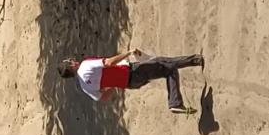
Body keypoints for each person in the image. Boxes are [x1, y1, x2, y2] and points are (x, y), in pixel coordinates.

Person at [58, 48, 204, 113]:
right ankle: (196, 60)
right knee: (165, 64)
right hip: (131, 72)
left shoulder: (84, 86)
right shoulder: (85, 65)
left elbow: (103, 97)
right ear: (71, 65)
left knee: (166, 67)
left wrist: (112, 83)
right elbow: (108, 62)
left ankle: (175, 101)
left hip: (130, 83)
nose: (73, 60)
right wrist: (127, 53)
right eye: (70, 61)